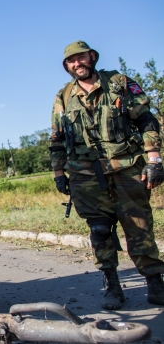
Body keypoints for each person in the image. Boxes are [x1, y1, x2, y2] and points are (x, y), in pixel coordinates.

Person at [50, 41, 164, 310]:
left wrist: (155, 159)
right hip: (85, 174)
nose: (77, 64)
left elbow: (146, 119)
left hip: (126, 168)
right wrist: (58, 173)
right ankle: (112, 285)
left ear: (92, 57)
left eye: (81, 58)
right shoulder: (64, 96)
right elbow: (56, 138)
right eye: (71, 61)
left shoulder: (119, 82)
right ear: (66, 67)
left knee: (139, 225)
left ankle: (155, 281)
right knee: (99, 231)